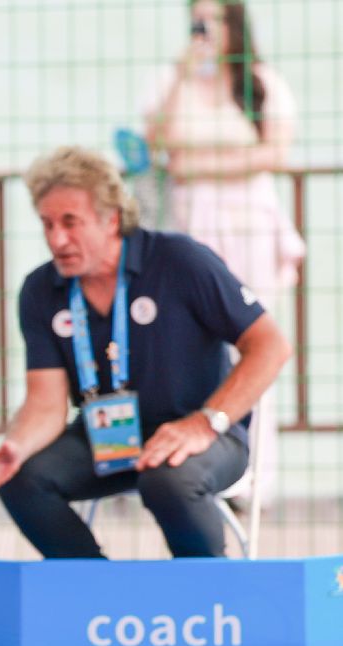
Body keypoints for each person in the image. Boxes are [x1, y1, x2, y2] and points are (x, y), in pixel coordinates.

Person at [0, 146, 292, 558]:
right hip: (107, 438)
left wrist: (205, 423)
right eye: (47, 224)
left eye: (70, 223)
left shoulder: (180, 260)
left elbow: (270, 345)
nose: (56, 239)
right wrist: (16, 446)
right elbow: (45, 403)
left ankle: (210, 591)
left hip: (204, 435)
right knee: (19, 476)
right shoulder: (41, 290)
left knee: (167, 477)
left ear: (111, 219)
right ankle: (98, 587)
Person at [143, 0, 304, 507]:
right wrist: (182, 71)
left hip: (248, 225)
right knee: (191, 346)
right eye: (197, 21)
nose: (205, 30)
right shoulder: (174, 82)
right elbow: (158, 143)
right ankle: (195, 464)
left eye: (213, 20)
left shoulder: (261, 84)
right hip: (192, 226)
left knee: (255, 343)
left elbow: (273, 152)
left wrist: (198, 165)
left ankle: (255, 475)